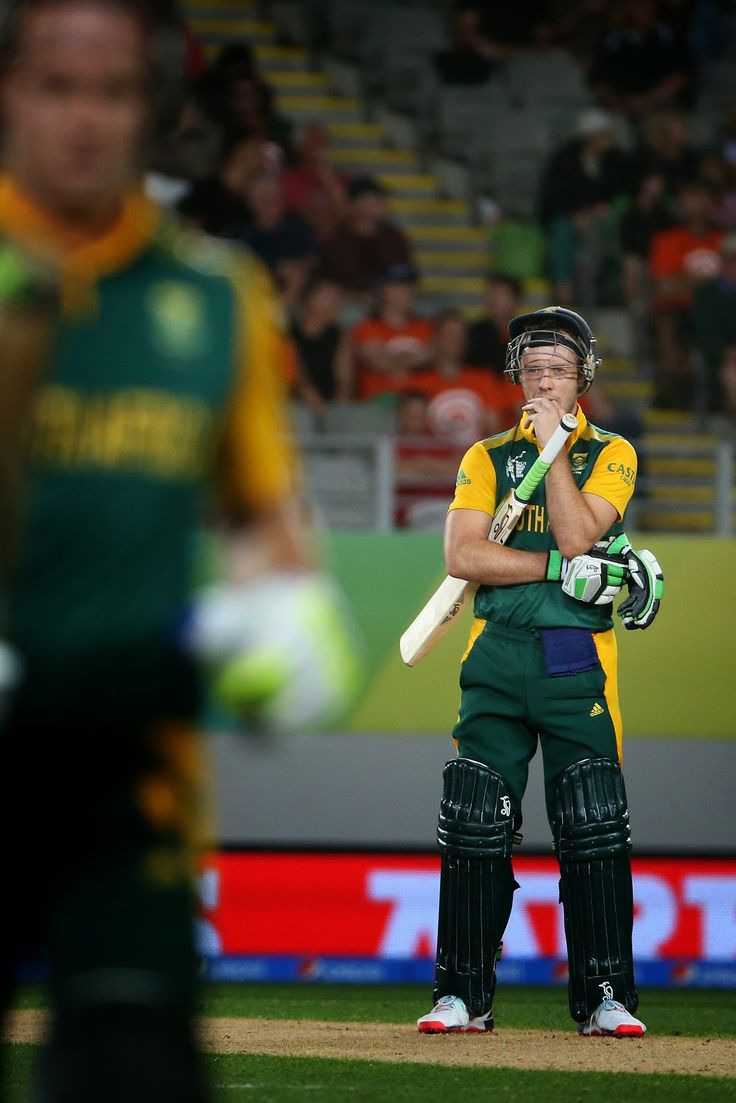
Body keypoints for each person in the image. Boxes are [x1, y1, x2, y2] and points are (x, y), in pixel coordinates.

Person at [0, 2, 359, 1101]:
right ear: (11, 92)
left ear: (151, 112)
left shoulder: (214, 296)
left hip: (134, 776)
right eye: (58, 87)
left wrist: (284, 602)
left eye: (111, 92)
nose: (83, 118)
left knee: (136, 1070)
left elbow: (261, 512)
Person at [415, 306, 664, 1040]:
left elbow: (581, 528)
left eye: (557, 369)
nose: (544, 381)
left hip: (571, 653)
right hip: (495, 651)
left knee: (591, 819)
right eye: (532, 371)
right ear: (515, 377)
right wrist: (557, 568)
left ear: (583, 374)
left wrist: (555, 450)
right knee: (472, 816)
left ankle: (605, 995)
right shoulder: (486, 457)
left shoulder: (612, 450)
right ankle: (462, 994)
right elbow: (465, 557)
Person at [335, 263, 434, 401]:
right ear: (382, 291)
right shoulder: (367, 327)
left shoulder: (426, 326)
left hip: (420, 401)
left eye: (409, 286)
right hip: (380, 400)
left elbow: (435, 354)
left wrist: (394, 359)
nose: (406, 292)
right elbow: (380, 363)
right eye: (398, 286)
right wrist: (414, 357)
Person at [319, 176, 414, 300]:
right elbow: (336, 275)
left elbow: (405, 272)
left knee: (399, 292)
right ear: (355, 204)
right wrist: (360, 295)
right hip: (344, 296)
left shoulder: (392, 235)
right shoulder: (339, 235)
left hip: (384, 297)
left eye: (380, 199)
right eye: (373, 199)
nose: (381, 204)